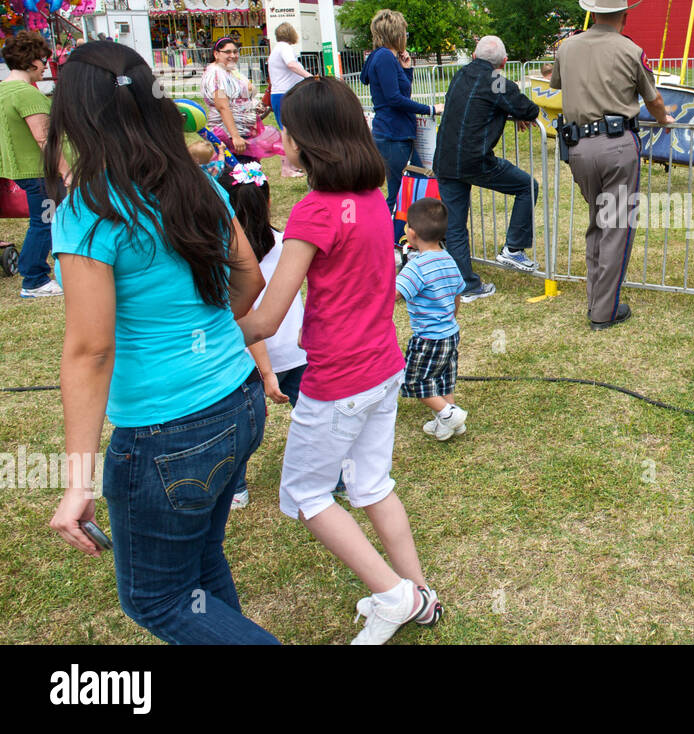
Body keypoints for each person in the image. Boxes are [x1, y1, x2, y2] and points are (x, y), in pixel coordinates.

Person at [47, 42, 277, 644]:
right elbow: (250, 275)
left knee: (156, 597)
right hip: (238, 401)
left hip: (166, 434)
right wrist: (208, 339)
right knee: (199, 568)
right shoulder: (196, 182)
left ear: (78, 114)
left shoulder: (90, 208)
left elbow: (90, 350)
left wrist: (77, 481)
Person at [239, 76, 442, 644]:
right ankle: (419, 593)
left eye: (287, 130)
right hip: (383, 369)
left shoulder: (314, 211)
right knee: (372, 483)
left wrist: (207, 331)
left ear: (310, 140)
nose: (280, 139)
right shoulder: (374, 202)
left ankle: (396, 595)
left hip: (338, 381)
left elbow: (268, 317)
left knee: (305, 495)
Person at [550, 0, 675, 328]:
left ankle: (596, 299)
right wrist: (665, 120)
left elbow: (557, 85)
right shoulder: (630, 50)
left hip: (578, 146)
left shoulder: (568, 47)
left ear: (594, 11)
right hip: (618, 144)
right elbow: (653, 99)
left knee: (597, 222)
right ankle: (604, 311)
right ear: (624, 14)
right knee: (616, 226)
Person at [216, 156, 308, 510]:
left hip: (243, 359)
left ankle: (236, 487)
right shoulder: (290, 243)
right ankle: (336, 478)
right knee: (315, 417)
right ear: (268, 200)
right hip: (298, 352)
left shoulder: (220, 257)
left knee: (240, 428)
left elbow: (246, 314)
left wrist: (267, 373)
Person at [434, 34, 541, 301]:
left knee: (456, 226)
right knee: (528, 186)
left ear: (473, 56)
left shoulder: (460, 75)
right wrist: (514, 112)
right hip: (474, 160)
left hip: (445, 160)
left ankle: (466, 287)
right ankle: (513, 249)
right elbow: (529, 109)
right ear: (503, 62)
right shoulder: (496, 81)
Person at [1, 30, 67, 297]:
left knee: (44, 220)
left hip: (22, 169)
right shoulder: (27, 95)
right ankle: (34, 279)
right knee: (44, 221)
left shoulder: (5, 89)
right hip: (40, 171)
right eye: (43, 59)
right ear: (31, 62)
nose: (45, 65)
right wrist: (67, 170)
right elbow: (44, 139)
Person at [397, 197, 468, 440]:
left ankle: (449, 413)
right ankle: (449, 422)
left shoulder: (415, 268)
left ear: (412, 233)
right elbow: (457, 292)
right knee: (444, 378)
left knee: (415, 381)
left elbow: (394, 294)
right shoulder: (448, 259)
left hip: (428, 337)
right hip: (450, 332)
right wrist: (452, 316)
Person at [363, 9, 431, 246]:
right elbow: (394, 99)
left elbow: (402, 91)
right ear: (396, 33)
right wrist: (430, 109)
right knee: (398, 191)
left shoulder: (385, 58)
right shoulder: (383, 58)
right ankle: (388, 241)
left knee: (409, 186)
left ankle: (400, 237)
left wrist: (406, 69)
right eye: (404, 32)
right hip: (393, 134)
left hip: (395, 132)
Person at [202, 36, 284, 160]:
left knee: (251, 171)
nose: (233, 55)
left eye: (235, 52)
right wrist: (235, 136)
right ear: (216, 54)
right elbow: (222, 106)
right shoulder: (216, 74)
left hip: (244, 131)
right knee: (240, 174)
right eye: (228, 52)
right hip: (230, 135)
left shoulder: (231, 71)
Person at [267, 22, 311, 178]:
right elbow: (291, 64)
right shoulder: (285, 48)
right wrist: (309, 76)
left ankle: (290, 165)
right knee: (288, 131)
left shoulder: (276, 50)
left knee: (287, 130)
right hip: (285, 94)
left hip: (280, 94)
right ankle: (287, 167)